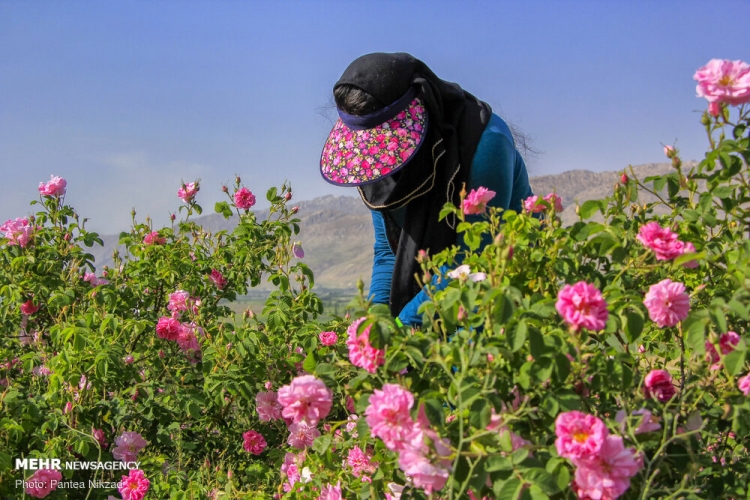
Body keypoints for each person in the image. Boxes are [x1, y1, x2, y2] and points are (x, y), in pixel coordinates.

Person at [320, 52, 533, 327]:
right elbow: (388, 250)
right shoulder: (372, 162)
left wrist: (403, 327)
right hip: (437, 293)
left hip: (500, 286)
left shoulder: (486, 144)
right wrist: (377, 322)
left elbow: (473, 262)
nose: (379, 162)